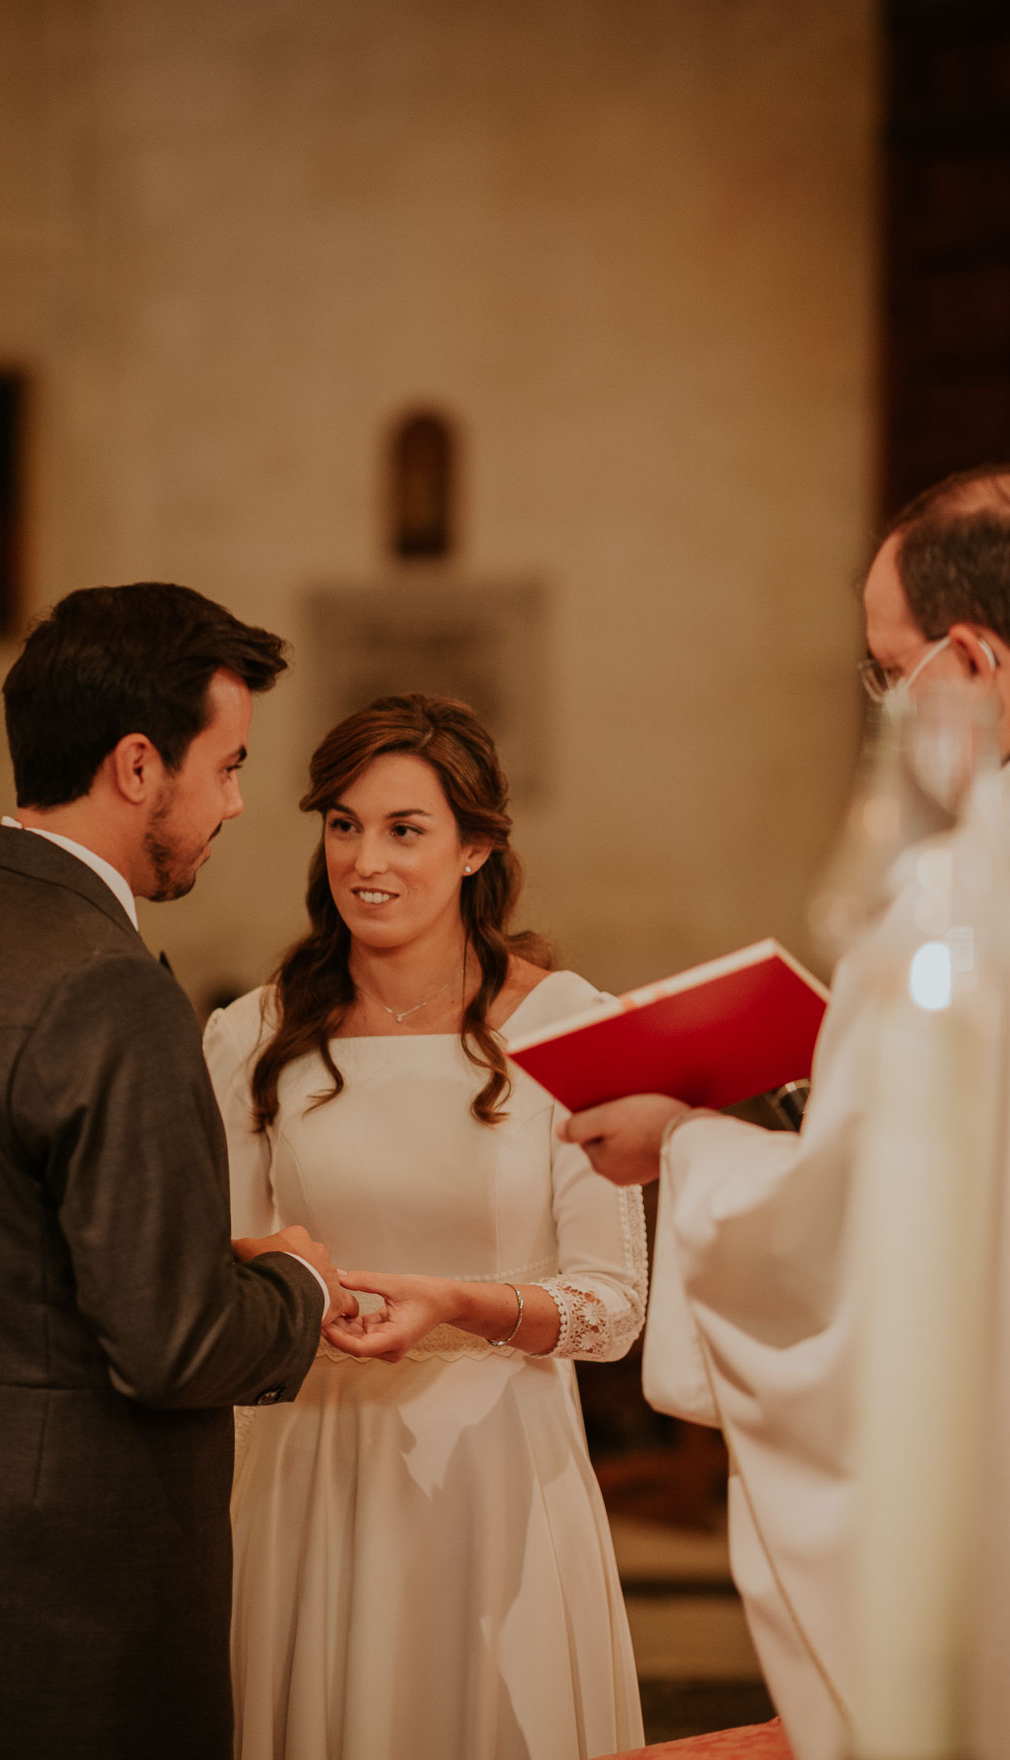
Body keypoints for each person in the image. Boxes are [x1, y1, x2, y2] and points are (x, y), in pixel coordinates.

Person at [0, 583, 356, 1760]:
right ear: (136, 765)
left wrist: (203, 1255)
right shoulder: (105, 982)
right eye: (225, 765)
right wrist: (298, 1290)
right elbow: (171, 1345)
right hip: (66, 1583)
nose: (232, 802)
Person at [559, 466, 1010, 1760]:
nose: (884, 707)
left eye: (889, 669)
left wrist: (686, 1144)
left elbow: (847, 1244)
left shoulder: (950, 897)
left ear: (971, 656)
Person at [203, 693, 648, 1760]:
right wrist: (264, 1266)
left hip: (494, 1466)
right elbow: (210, 1261)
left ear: (475, 846)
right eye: (344, 823)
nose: (368, 859)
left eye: (406, 828)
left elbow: (615, 1308)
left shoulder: (570, 1024)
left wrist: (458, 1300)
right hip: (308, 1457)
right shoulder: (252, 1034)